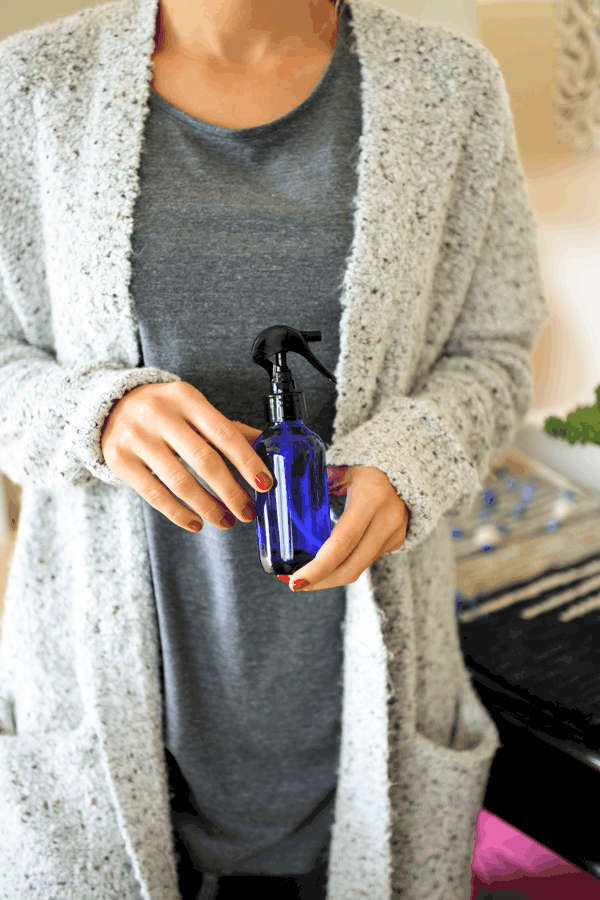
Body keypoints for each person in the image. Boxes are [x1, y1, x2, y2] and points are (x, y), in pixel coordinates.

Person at [0, 0, 550, 899]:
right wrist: (95, 417)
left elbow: (493, 352)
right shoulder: (27, 86)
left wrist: (410, 458)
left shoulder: (449, 87)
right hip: (105, 719)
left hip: (365, 719)